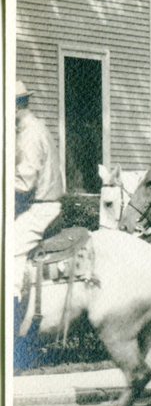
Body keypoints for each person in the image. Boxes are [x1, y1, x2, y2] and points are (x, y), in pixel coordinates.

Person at [14, 80, 65, 301]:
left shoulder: (30, 134)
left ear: (14, 106)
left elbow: (25, 183)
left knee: (8, 248)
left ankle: (11, 303)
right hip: (44, 205)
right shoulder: (36, 128)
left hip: (40, 209)